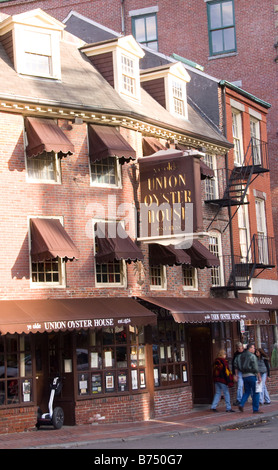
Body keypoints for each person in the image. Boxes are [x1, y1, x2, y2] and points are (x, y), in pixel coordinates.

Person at [235, 343, 262, 413]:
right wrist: (259, 376)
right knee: (256, 392)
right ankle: (255, 409)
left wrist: (236, 374)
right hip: (252, 375)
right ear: (250, 348)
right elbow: (256, 368)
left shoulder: (240, 356)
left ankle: (241, 403)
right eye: (253, 348)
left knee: (247, 391)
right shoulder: (252, 356)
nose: (254, 349)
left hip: (244, 375)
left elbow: (235, 364)